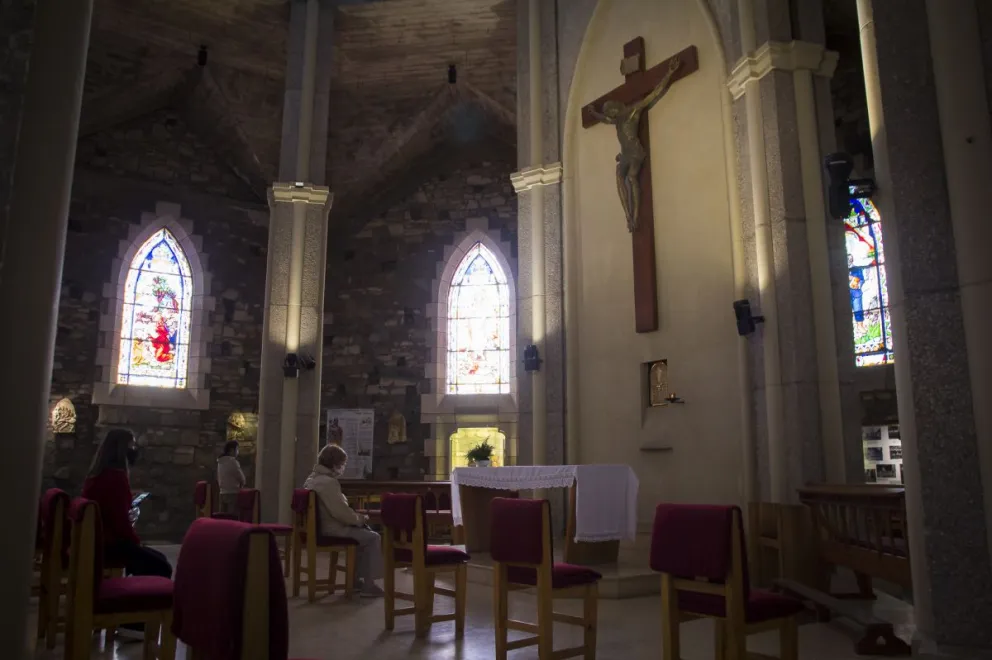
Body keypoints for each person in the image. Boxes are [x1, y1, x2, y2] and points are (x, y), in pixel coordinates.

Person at [81, 428, 172, 638]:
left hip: (100, 540)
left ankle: (133, 620)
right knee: (160, 565)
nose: (135, 450)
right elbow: (120, 523)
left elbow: (111, 510)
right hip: (110, 544)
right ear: (121, 449)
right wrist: (135, 541)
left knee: (154, 559)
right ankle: (133, 625)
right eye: (132, 446)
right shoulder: (116, 477)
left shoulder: (98, 474)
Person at [303, 444, 383, 597]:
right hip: (332, 529)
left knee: (362, 536)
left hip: (319, 527)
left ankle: (355, 580)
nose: (343, 467)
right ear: (335, 464)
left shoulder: (311, 479)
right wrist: (360, 519)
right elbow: (341, 513)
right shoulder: (328, 482)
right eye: (343, 464)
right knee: (373, 537)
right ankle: (368, 585)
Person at [216, 440, 245, 515]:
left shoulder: (220, 462)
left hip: (222, 492)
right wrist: (242, 483)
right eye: (237, 449)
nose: (238, 452)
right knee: (232, 516)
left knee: (223, 517)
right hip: (233, 493)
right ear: (232, 450)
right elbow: (241, 478)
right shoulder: (233, 462)